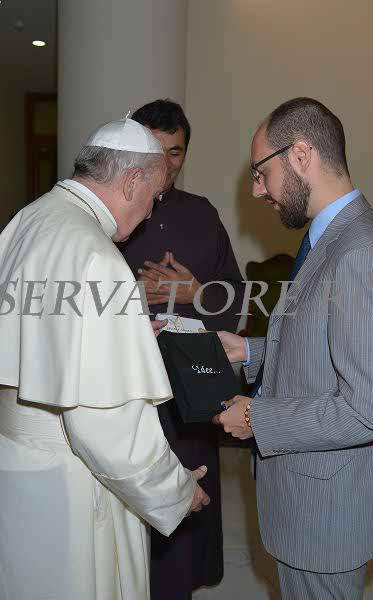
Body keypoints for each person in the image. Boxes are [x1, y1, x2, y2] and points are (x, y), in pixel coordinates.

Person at [0, 117, 210, 600]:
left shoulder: (29, 218)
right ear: (132, 181)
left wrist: (125, 334)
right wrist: (176, 490)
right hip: (69, 483)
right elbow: (107, 427)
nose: (150, 211)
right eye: (153, 196)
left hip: (15, 460)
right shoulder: (97, 257)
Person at [214, 97, 373, 600]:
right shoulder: (329, 238)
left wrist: (256, 418)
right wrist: (250, 351)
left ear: (300, 155)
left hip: (327, 514)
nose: (256, 190)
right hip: (309, 500)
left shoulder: (359, 253)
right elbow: (324, 344)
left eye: (261, 172)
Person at [120, 99, 245, 599]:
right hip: (128, 387)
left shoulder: (201, 213)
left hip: (191, 389)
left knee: (188, 499)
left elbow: (235, 297)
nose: (165, 163)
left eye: (175, 152)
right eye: (154, 150)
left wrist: (195, 292)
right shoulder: (111, 212)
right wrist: (132, 293)